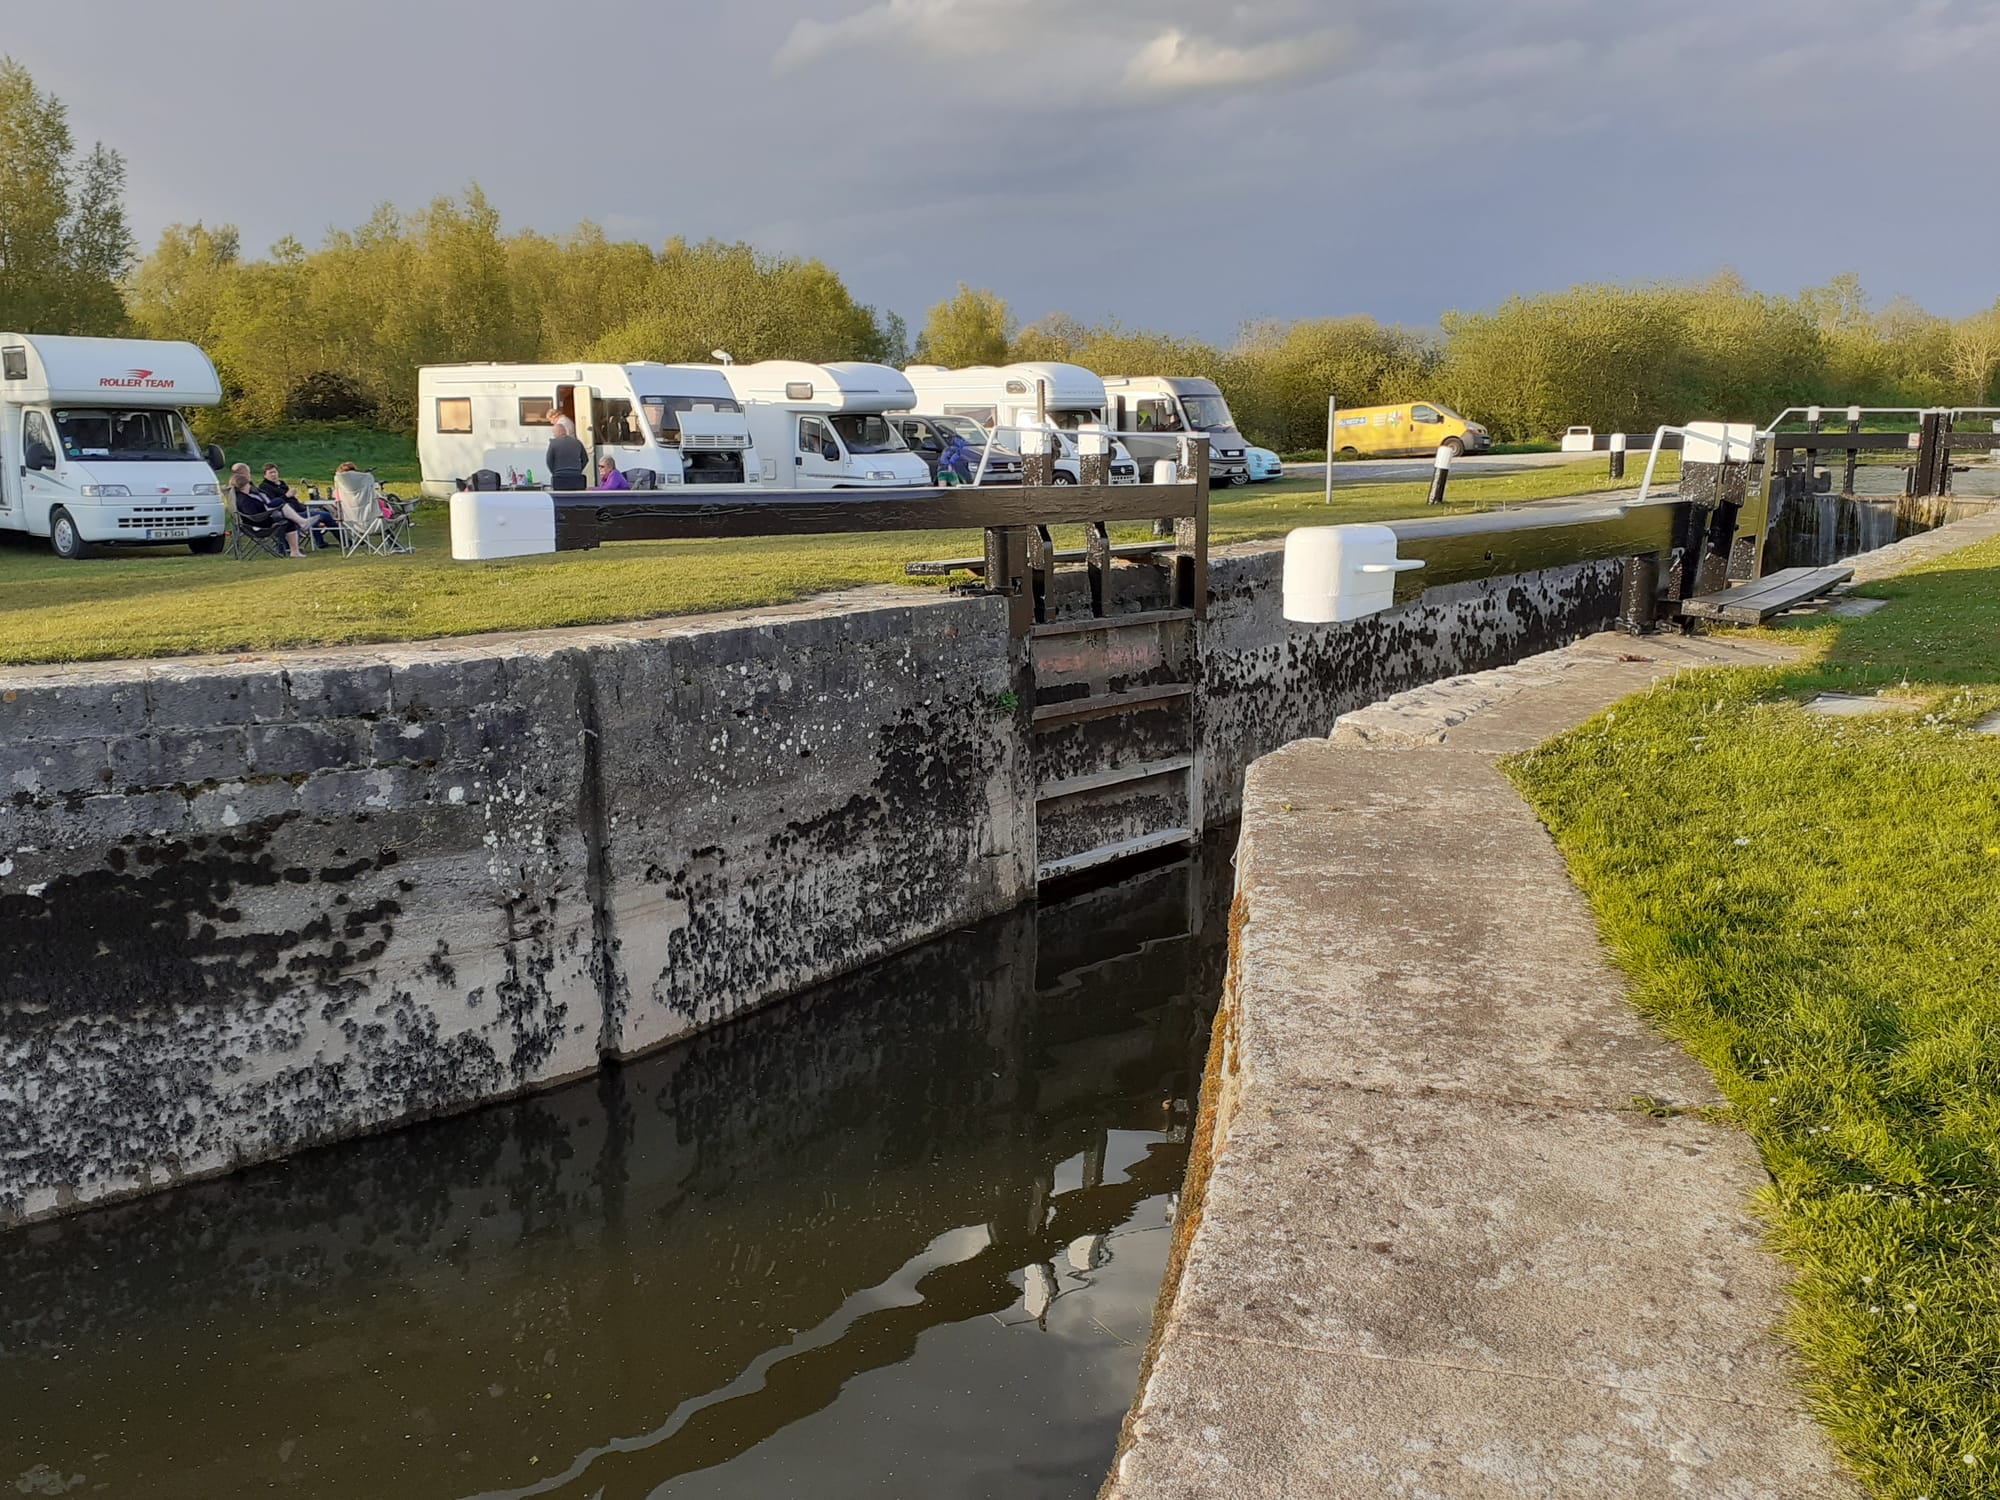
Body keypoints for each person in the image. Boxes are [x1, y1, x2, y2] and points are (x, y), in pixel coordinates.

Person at [230, 463, 304, 557]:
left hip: (259, 519)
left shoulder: (242, 495)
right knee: (285, 515)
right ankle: (295, 550)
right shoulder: (244, 500)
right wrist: (268, 511)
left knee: (285, 515)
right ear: (243, 487)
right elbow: (254, 514)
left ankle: (295, 549)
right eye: (248, 484)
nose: (250, 485)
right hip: (258, 524)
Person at [258, 463, 333, 549]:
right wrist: (287, 496)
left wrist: (293, 496)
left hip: (299, 508)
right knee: (324, 516)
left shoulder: (282, 483)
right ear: (265, 475)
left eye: (275, 472)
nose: (274, 475)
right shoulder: (264, 487)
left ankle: (322, 542)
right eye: (270, 473)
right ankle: (343, 542)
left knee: (322, 510)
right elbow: (273, 503)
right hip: (290, 514)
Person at [545, 415, 590, 492]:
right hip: (576, 477)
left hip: (560, 478)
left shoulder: (553, 443)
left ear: (558, 432)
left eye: (554, 433)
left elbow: (549, 460)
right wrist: (578, 470)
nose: (554, 435)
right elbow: (585, 459)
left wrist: (555, 472)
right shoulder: (577, 442)